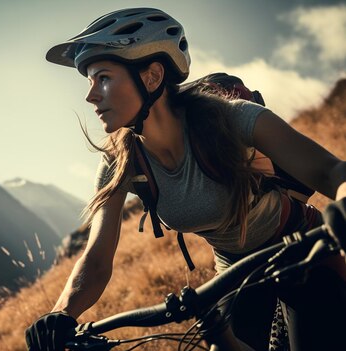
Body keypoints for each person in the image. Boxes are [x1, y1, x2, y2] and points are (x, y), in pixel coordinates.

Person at [25, 7, 346, 351]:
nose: (91, 95)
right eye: (89, 81)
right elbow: (97, 257)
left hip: (302, 248)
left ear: (151, 76)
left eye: (102, 77)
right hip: (234, 269)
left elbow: (330, 171)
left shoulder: (230, 118)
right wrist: (61, 314)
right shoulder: (121, 161)